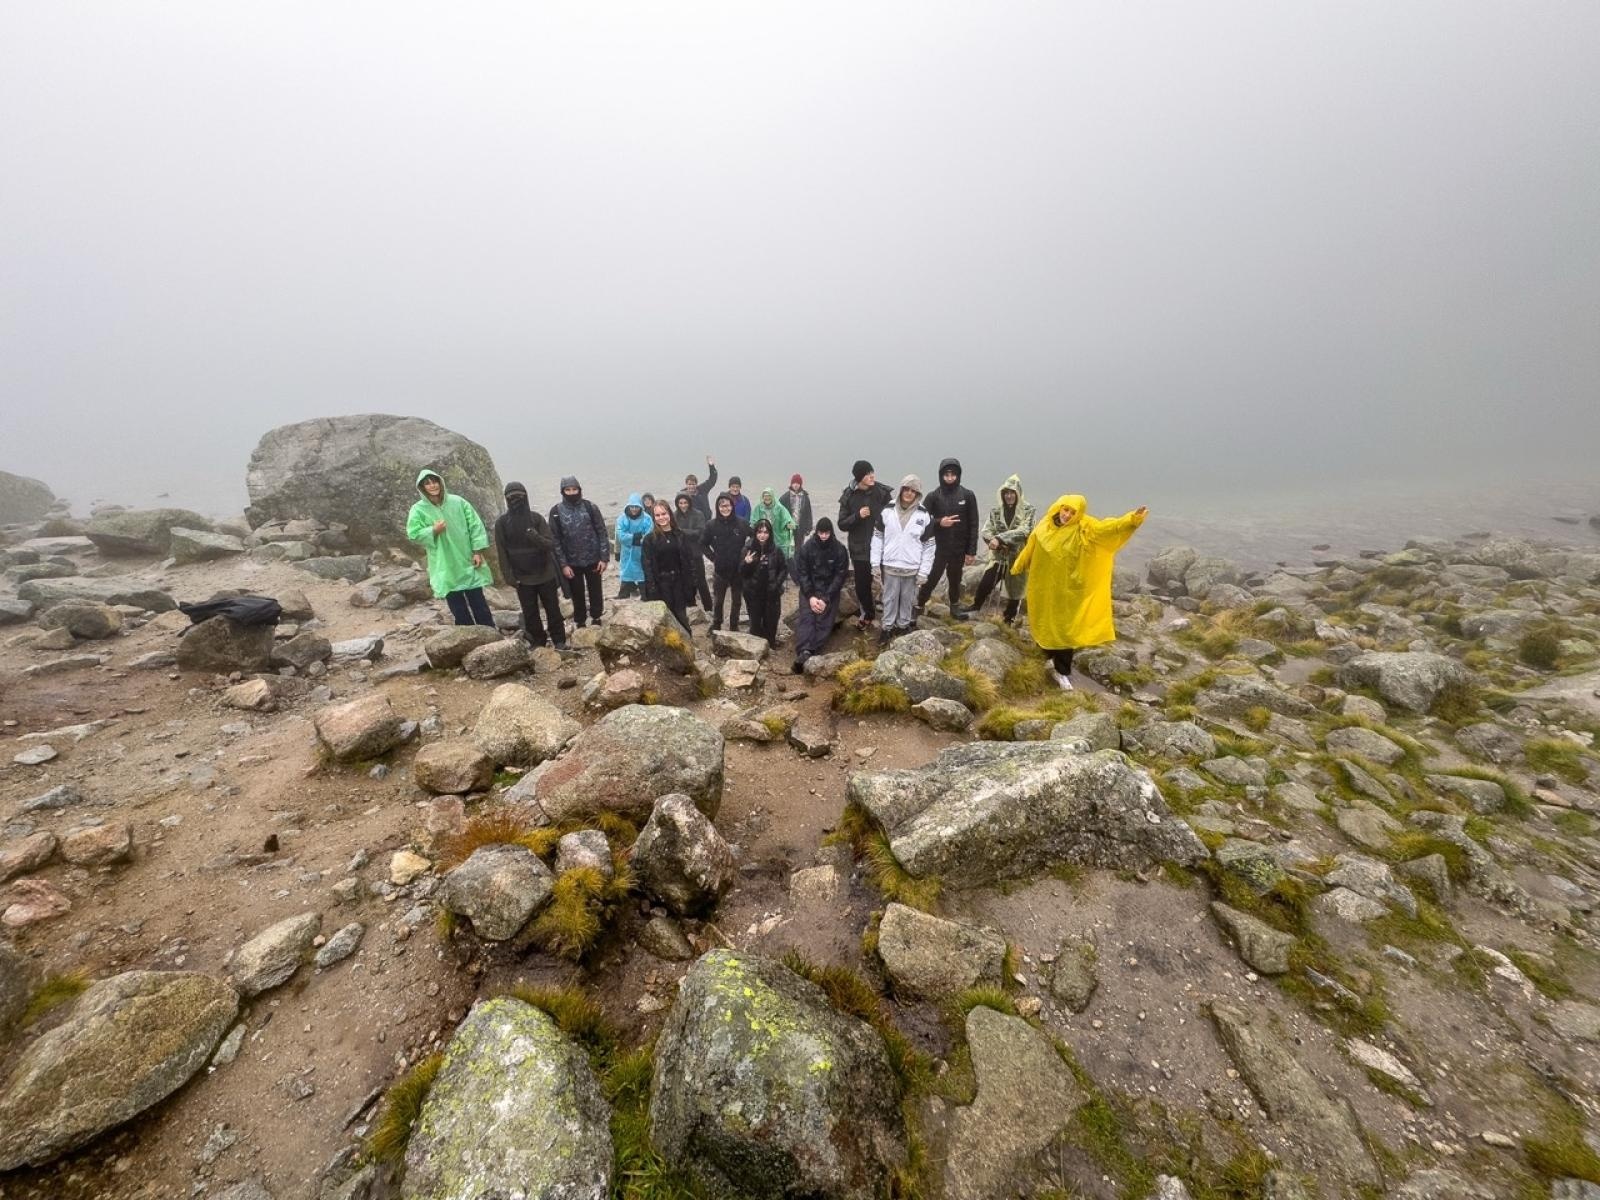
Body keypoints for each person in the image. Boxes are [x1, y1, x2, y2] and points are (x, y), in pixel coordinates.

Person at [1012, 495, 1148, 689]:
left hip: (1068, 588)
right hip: (1043, 585)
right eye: (1065, 509)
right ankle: (1047, 657)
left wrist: (1131, 520)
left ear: (1079, 513)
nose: (1067, 515)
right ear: (1059, 507)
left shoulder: (1084, 528)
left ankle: (1062, 672)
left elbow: (1108, 529)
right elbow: (1031, 546)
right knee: (1045, 621)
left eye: (1072, 512)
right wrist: (1019, 564)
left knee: (1065, 630)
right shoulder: (1045, 524)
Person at [406, 469, 496, 627]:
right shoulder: (418, 509)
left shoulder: (458, 502)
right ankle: (467, 637)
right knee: (457, 604)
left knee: (478, 600)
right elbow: (413, 534)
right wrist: (432, 530)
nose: (432, 485)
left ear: (440, 482)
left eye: (434, 481)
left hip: (466, 558)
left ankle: (490, 632)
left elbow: (475, 526)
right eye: (427, 483)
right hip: (444, 562)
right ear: (421, 488)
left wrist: (477, 551)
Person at [495, 481, 566, 648]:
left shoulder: (536, 519)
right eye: (511, 497)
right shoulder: (502, 523)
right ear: (506, 499)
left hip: (545, 573)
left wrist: (535, 537)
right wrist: (509, 577)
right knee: (530, 612)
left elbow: (550, 544)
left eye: (519, 496)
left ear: (525, 497)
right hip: (522, 578)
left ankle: (559, 640)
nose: (515, 500)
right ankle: (537, 641)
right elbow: (502, 552)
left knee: (553, 609)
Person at [870, 475, 934, 645]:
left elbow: (929, 546)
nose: (909, 493)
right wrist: (875, 563)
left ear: (917, 494)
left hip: (912, 567)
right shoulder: (887, 510)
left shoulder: (924, 515)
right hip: (890, 565)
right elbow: (877, 537)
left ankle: (903, 626)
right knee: (889, 598)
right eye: (906, 489)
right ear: (901, 490)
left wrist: (924, 572)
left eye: (913, 491)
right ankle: (887, 628)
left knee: (908, 599)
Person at [917, 457, 979, 620]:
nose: (950, 478)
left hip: (958, 549)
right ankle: (919, 604)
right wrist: (939, 522)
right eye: (946, 475)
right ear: (941, 476)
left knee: (955, 578)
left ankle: (955, 607)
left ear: (958, 475)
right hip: (938, 548)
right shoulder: (933, 496)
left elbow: (974, 524)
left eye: (953, 475)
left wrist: (971, 551)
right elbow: (920, 521)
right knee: (931, 578)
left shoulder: (967, 495)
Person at [971, 474, 1036, 624]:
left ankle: (1009, 619)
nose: (1009, 496)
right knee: (987, 582)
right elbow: (986, 531)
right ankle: (975, 608)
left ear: (1018, 493)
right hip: (999, 555)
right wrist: (998, 544)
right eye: (1006, 493)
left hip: (1018, 556)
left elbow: (1025, 530)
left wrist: (1000, 538)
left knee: (1016, 589)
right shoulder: (996, 511)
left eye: (1012, 492)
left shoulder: (1029, 510)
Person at [836, 460, 892, 630]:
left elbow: (894, 517)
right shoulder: (849, 495)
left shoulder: (882, 493)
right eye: (868, 474)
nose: (872, 476)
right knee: (862, 585)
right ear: (860, 477)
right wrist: (857, 516)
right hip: (859, 548)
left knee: (888, 583)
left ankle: (891, 617)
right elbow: (842, 524)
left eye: (872, 472)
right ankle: (868, 613)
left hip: (882, 548)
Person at [548, 476, 610, 628]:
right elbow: (555, 541)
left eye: (574, 489)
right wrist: (563, 565)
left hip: (594, 558)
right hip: (571, 562)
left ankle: (596, 617)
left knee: (595, 590)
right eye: (568, 490)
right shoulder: (556, 511)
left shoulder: (590, 507)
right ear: (562, 492)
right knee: (577, 593)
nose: (571, 492)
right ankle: (580, 620)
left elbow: (602, 532)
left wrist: (604, 557)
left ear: (579, 490)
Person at [792, 517, 850, 672]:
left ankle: (809, 651)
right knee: (807, 618)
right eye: (821, 533)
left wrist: (825, 599)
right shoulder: (807, 548)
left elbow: (840, 576)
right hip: (809, 590)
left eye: (826, 533)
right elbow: (802, 573)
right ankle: (804, 650)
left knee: (824, 621)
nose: (824, 536)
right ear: (816, 532)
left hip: (829, 591)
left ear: (831, 532)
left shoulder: (839, 549)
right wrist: (810, 596)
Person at [642, 501, 699, 631]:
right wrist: (651, 589)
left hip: (679, 582)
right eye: (657, 515)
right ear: (654, 517)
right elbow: (647, 566)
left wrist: (692, 584)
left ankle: (687, 645)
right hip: (661, 584)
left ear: (670, 514)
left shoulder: (680, 535)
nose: (661, 517)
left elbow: (689, 561)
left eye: (664, 513)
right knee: (665, 620)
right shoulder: (649, 539)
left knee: (681, 617)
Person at [701, 492, 751, 631]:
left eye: (727, 505)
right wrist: (713, 557)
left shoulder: (742, 523)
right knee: (718, 601)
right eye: (721, 506)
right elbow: (703, 544)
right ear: (717, 507)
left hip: (738, 569)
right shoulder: (711, 525)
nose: (725, 509)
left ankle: (734, 626)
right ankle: (716, 624)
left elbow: (754, 538)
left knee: (736, 601)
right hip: (720, 569)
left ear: (732, 506)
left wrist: (747, 555)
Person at [741, 517, 788, 648]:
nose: (762, 535)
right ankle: (756, 647)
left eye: (766, 532)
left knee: (772, 621)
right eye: (759, 532)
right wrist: (747, 563)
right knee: (755, 623)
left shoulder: (776, 550)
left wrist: (776, 584)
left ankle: (771, 643)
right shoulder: (748, 549)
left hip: (772, 592)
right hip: (753, 593)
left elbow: (784, 569)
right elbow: (742, 573)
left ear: (770, 534)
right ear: (755, 533)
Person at [674, 490, 714, 611]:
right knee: (687, 580)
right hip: (682, 553)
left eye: (685, 502)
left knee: (701, 581)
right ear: (677, 504)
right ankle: (691, 605)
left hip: (696, 552)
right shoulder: (675, 515)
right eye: (680, 503)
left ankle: (708, 607)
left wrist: (683, 531)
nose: (683, 505)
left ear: (689, 503)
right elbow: (674, 532)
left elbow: (700, 532)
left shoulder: (698, 514)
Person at [614, 493, 653, 599]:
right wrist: (635, 537)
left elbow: (649, 535)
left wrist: (636, 539)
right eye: (632, 506)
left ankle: (645, 596)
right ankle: (623, 594)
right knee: (626, 572)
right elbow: (620, 536)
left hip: (642, 552)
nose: (634, 509)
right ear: (628, 506)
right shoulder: (622, 519)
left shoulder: (647, 519)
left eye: (636, 506)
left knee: (642, 573)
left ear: (640, 506)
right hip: (626, 552)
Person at [749, 486, 797, 560]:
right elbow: (753, 521)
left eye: (769, 496)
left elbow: (787, 519)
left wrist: (789, 524)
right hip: (763, 536)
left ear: (772, 496)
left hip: (778, 537)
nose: (767, 498)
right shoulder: (758, 508)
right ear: (762, 497)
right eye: (765, 496)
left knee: (778, 557)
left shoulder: (779, 508)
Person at [780, 473, 813, 545]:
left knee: (799, 548)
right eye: (794, 483)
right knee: (788, 547)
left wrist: (809, 527)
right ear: (791, 484)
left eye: (798, 483)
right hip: (788, 527)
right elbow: (779, 512)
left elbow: (808, 513)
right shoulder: (785, 497)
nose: (795, 485)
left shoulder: (805, 497)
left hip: (800, 528)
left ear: (800, 484)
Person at [683, 456, 718, 522]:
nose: (691, 486)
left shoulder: (703, 489)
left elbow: (712, 479)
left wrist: (711, 466)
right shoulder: (682, 495)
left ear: (696, 484)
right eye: (689, 484)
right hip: (692, 523)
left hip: (706, 521)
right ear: (686, 484)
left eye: (693, 484)